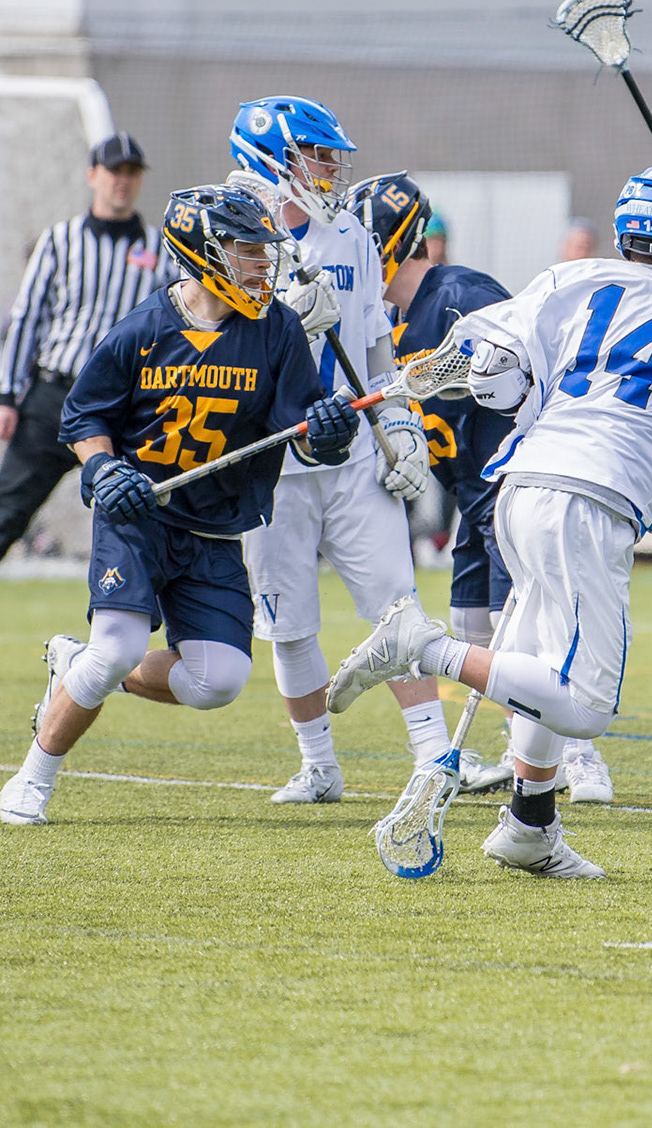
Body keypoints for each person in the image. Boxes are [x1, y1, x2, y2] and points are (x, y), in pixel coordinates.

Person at [324, 166, 652, 877]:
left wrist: (508, 373)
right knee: (582, 705)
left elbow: (485, 351)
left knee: (538, 669)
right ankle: (423, 647)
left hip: (523, 485)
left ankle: (530, 825)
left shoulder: (567, 278)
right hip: (589, 496)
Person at [0, 185, 358, 825]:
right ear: (202, 252)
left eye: (261, 251)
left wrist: (330, 431)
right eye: (246, 250)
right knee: (115, 649)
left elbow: (304, 432)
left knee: (217, 681)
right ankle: (32, 779)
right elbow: (83, 416)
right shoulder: (142, 329)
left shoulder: (274, 328)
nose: (261, 264)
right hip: (139, 515)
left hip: (216, 526)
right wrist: (105, 467)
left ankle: (73, 665)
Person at [351, 171, 612, 803]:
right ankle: (514, 748)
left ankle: (578, 756)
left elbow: (533, 358)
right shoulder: (380, 320)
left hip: (512, 482)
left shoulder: (461, 295)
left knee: (524, 629)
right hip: (471, 492)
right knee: (472, 622)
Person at [226, 97, 442, 805]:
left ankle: (435, 757)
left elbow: (375, 342)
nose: (332, 169)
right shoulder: (227, 229)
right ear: (277, 158)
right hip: (274, 457)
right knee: (288, 621)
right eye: (319, 155)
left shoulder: (349, 231)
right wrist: (281, 315)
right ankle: (318, 765)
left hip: (351, 454)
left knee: (398, 606)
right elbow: (213, 341)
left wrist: (401, 417)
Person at [0, 134, 174, 561]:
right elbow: (28, 317)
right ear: (93, 175)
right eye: (115, 171)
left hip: (124, 404)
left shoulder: (158, 250)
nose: (123, 181)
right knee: (7, 510)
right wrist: (7, 394)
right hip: (54, 396)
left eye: (132, 173)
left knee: (141, 512)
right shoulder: (59, 240)